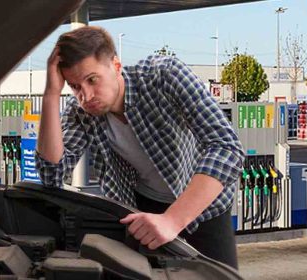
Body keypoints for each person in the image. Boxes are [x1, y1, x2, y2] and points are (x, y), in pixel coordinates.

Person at [36, 26, 244, 269]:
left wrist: (173, 220)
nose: (86, 95)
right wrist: (51, 94)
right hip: (142, 207)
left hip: (202, 204)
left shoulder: (164, 74)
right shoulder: (80, 112)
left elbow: (226, 147)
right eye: (75, 86)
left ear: (116, 66)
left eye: (92, 79)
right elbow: (52, 175)